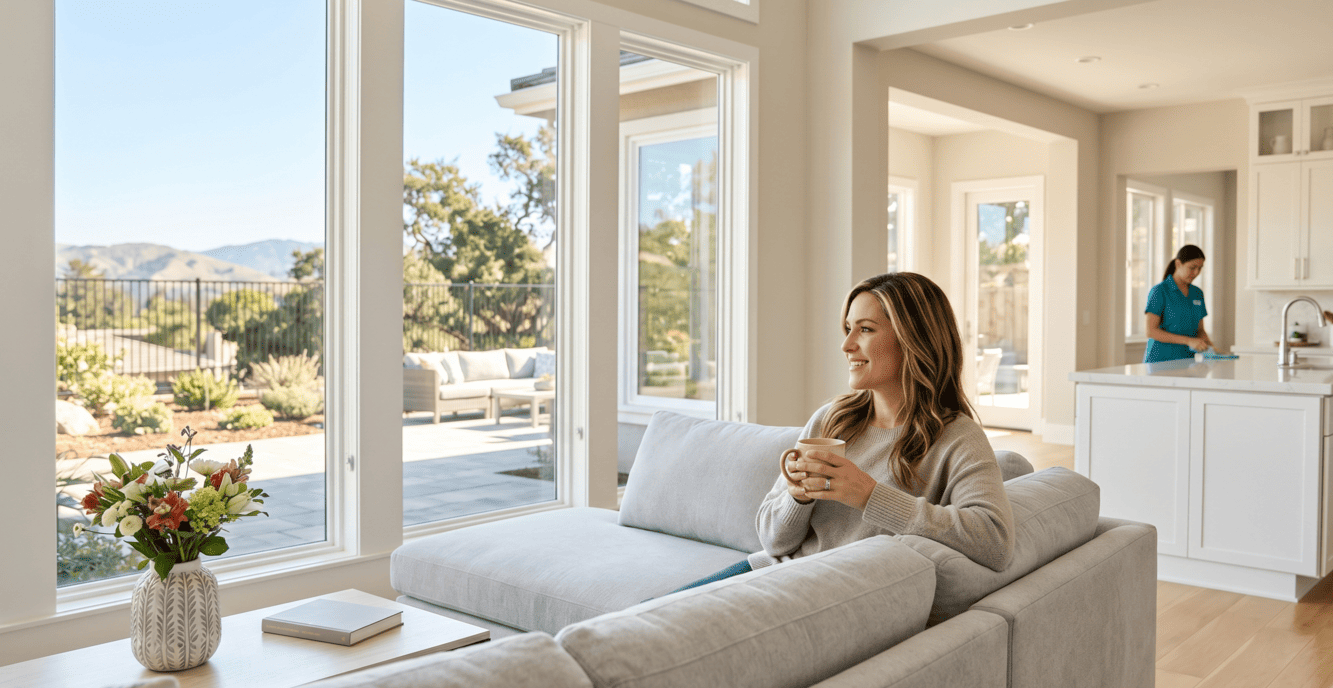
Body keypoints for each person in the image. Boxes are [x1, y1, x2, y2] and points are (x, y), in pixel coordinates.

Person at [669, 272, 1016, 594]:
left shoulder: (957, 438)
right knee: (646, 618)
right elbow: (773, 542)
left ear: (914, 339)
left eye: (865, 329)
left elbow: (995, 542)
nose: (847, 345)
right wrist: (797, 498)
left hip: (820, 591)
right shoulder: (832, 420)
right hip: (768, 571)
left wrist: (869, 495)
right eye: (848, 328)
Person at [1144, 244, 1212, 363]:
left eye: (1200, 268)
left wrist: (1212, 350)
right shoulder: (1159, 291)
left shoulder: (1197, 293)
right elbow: (1151, 331)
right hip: (1160, 362)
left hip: (1187, 362)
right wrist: (1188, 341)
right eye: (1192, 267)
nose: (1196, 272)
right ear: (1178, 264)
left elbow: (1200, 330)